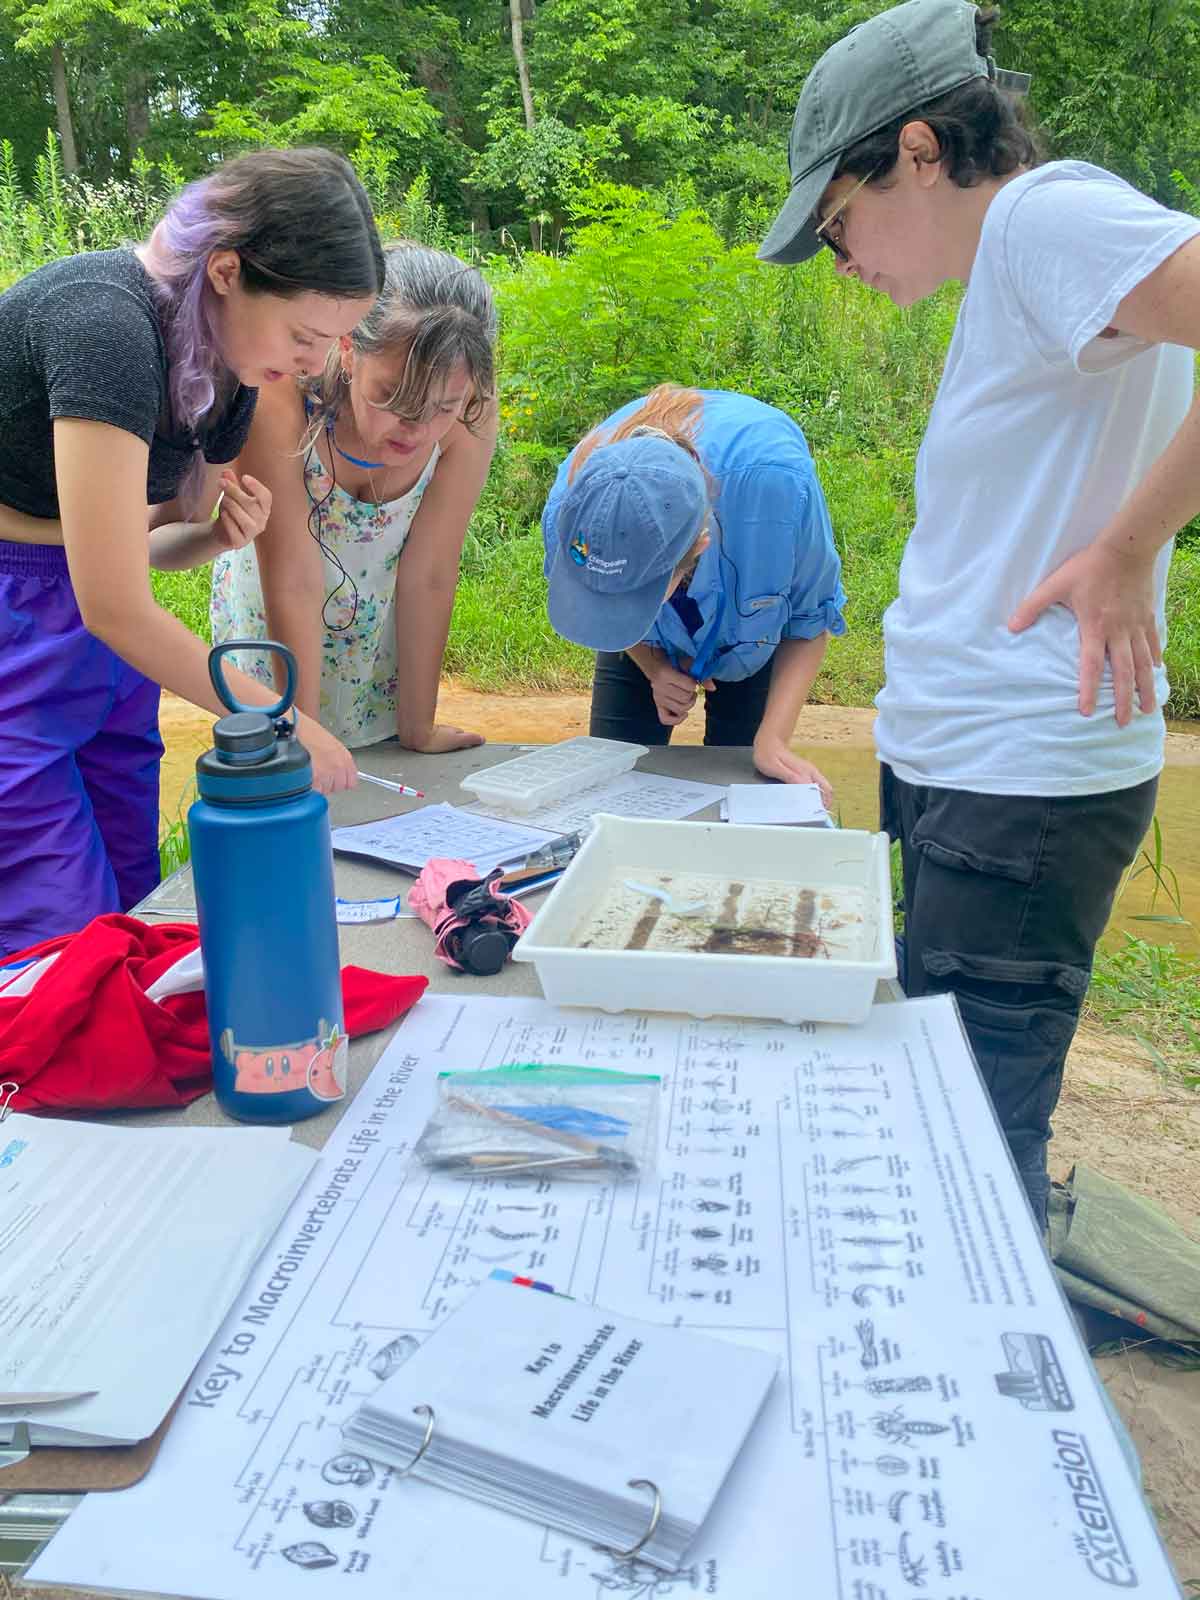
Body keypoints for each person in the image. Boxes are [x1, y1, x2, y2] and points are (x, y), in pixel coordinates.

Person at [758, 0, 1200, 1225]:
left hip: (1024, 781)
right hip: (980, 773)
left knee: (967, 1153)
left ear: (917, 150)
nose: (843, 260)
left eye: (839, 223)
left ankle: (996, 1383)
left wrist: (1128, 548)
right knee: (941, 1107)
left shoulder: (1046, 216)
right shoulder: (1016, 264)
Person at [0, 147, 385, 955]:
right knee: (53, 922)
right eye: (307, 335)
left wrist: (210, 536)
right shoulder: (102, 325)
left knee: (136, 902)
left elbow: (134, 549)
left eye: (334, 343)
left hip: (99, 645)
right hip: (20, 623)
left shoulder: (234, 371)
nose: (316, 365)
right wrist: (279, 715)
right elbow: (112, 601)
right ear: (224, 270)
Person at [211, 243, 497, 754]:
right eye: (391, 397)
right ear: (347, 348)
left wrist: (418, 726)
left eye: (442, 408)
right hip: (276, 630)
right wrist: (301, 734)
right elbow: (292, 575)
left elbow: (429, 572)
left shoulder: (473, 412)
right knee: (283, 769)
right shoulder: (281, 391)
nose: (414, 429)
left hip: (374, 645)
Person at [540, 386, 846, 801]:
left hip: (749, 640)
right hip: (646, 649)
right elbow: (602, 614)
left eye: (637, 597)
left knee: (740, 789)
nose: (622, 607)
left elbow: (809, 620)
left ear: (700, 546)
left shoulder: (778, 487)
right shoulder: (574, 508)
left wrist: (773, 740)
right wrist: (652, 667)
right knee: (611, 790)